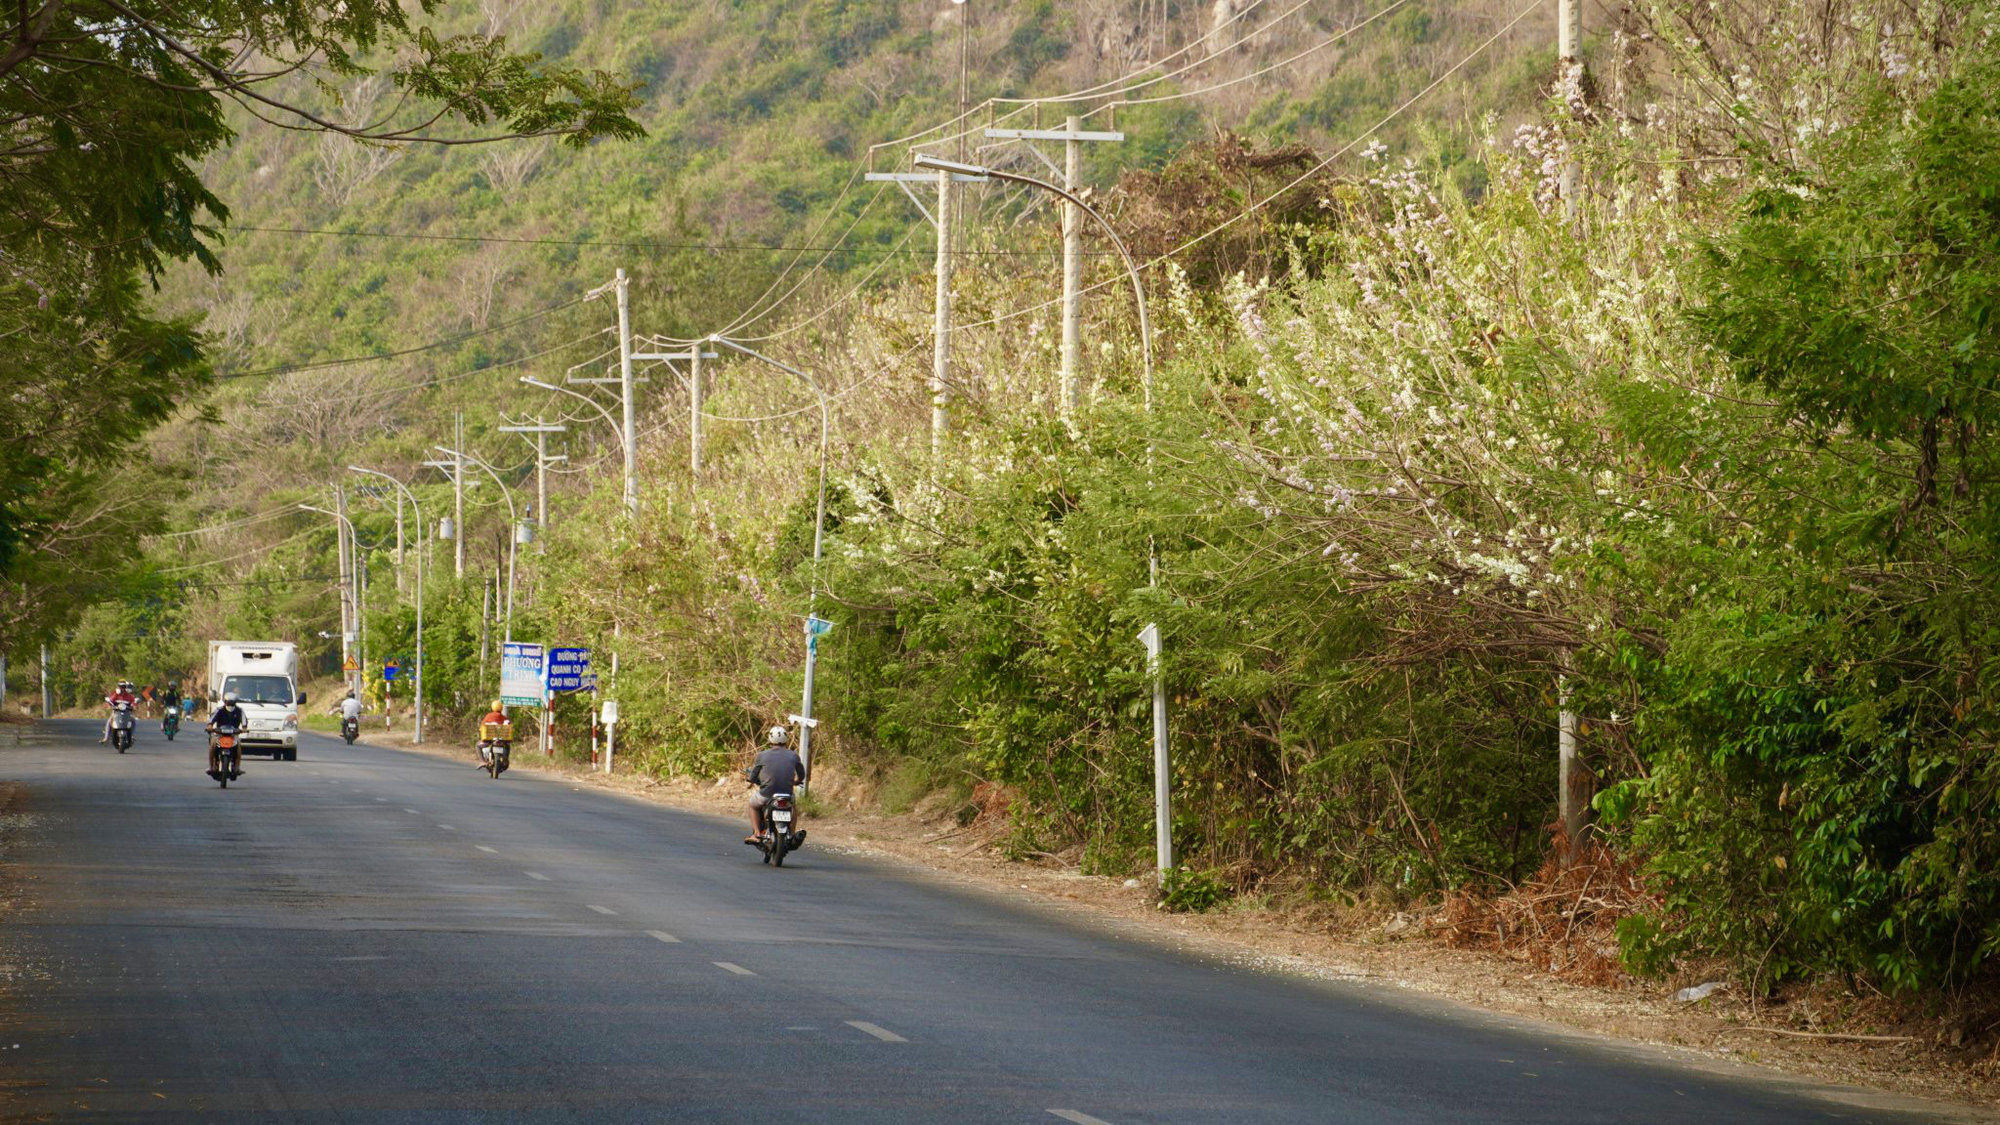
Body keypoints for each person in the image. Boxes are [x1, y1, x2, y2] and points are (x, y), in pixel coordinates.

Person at [744, 725, 805, 844]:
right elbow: (802, 774)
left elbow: (753, 776)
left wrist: (750, 780)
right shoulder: (793, 755)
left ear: (770, 740)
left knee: (753, 805)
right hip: (787, 794)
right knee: (793, 807)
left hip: (767, 794)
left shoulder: (761, 755)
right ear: (786, 739)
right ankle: (791, 833)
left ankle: (756, 834)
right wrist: (797, 781)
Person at [206, 691, 246, 777]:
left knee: (238, 745)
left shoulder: (240, 710)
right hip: (220, 733)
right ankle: (211, 766)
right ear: (225, 701)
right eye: (228, 702)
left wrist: (244, 728)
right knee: (213, 743)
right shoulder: (219, 710)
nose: (230, 705)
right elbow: (211, 720)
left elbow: (244, 722)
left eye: (232, 703)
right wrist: (210, 726)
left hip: (233, 734)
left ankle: (237, 767)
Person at [477, 700, 508, 769]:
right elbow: (509, 725)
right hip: (502, 739)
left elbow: (483, 724)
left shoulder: (489, 716)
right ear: (501, 708)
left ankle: (482, 761)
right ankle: (505, 760)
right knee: (507, 746)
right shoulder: (503, 717)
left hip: (489, 739)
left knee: (478, 746)